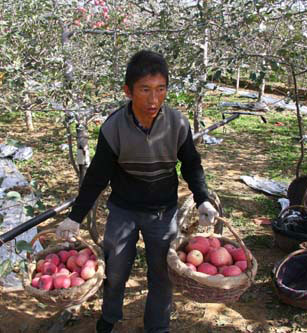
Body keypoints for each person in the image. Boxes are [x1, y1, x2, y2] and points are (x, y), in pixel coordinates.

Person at [56, 50, 218, 333]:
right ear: (128, 91)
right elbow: (97, 176)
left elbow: (192, 165)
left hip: (162, 211)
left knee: (162, 273)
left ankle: (157, 327)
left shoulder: (177, 124)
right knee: (115, 270)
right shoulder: (114, 127)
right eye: (145, 90)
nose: (154, 99)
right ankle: (109, 317)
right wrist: (75, 217)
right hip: (124, 210)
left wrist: (203, 199)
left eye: (161, 89)